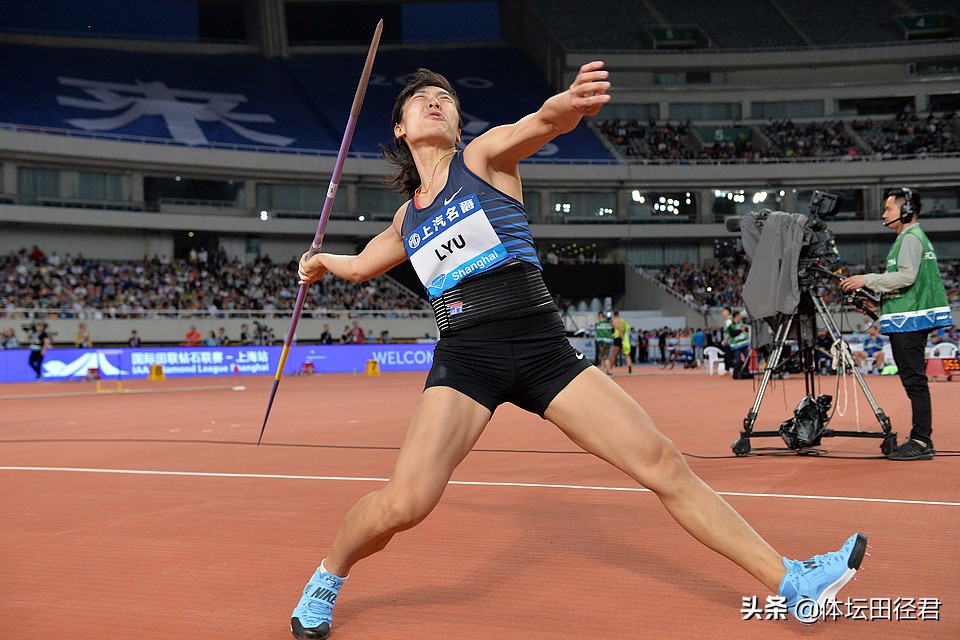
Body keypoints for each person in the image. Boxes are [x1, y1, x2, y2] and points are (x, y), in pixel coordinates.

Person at [291, 62, 865, 638]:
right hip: (468, 359)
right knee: (405, 505)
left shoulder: (483, 158)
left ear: (460, 126)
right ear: (401, 129)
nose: (435, 102)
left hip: (544, 350)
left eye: (445, 98)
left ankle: (790, 580)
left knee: (662, 462)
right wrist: (320, 263)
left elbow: (543, 122)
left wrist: (568, 105)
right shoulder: (406, 218)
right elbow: (360, 266)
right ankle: (328, 575)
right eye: (422, 100)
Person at [841, 187, 953, 460]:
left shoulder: (910, 238)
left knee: (915, 382)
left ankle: (921, 440)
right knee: (913, 381)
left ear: (906, 210)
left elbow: (906, 277)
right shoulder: (909, 238)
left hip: (911, 322)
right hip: (908, 318)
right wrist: (876, 306)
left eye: (889, 208)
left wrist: (866, 279)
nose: (883, 214)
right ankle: (921, 438)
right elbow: (907, 289)